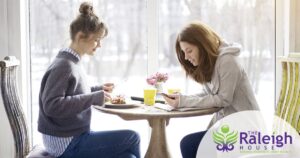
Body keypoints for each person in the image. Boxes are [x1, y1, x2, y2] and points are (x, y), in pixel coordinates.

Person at [38, 2, 140, 158]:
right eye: (97, 40)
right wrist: (93, 98)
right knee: (132, 137)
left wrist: (98, 90)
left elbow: (72, 93)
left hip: (70, 136)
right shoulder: (64, 66)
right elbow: (52, 105)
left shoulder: (71, 61)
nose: (99, 45)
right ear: (80, 37)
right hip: (66, 142)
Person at [163, 21, 259, 158]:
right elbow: (209, 94)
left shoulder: (228, 61)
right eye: (183, 52)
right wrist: (181, 99)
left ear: (203, 45)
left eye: (189, 51)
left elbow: (223, 99)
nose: (185, 57)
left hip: (247, 132)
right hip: (230, 129)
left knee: (189, 144)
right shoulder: (212, 62)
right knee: (190, 144)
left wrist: (183, 102)